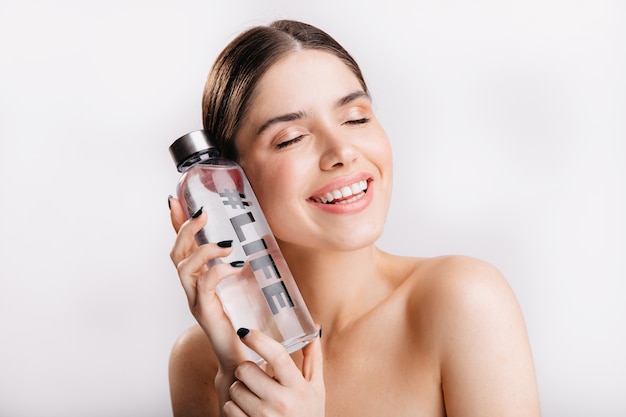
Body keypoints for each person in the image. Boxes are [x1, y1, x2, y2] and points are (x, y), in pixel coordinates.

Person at [167, 19, 541, 417]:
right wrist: (237, 369)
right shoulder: (202, 361)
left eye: (356, 117)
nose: (342, 150)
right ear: (227, 181)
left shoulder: (463, 300)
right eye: (291, 137)